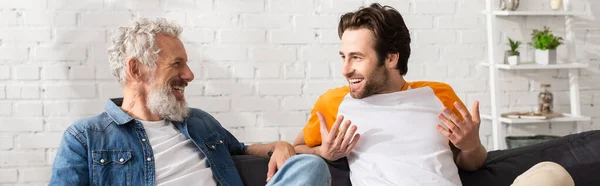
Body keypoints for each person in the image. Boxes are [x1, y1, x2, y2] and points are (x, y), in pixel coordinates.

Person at [293, 3, 574, 186]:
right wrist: (324, 152)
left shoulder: (438, 94)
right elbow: (295, 150)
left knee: (553, 173)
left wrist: (471, 144)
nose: (345, 69)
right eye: (343, 56)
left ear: (391, 58)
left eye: (356, 57)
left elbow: (472, 162)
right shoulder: (335, 103)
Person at [49, 18, 331, 186]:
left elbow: (240, 149)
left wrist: (280, 146)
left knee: (310, 167)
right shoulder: (85, 138)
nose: (189, 75)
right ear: (136, 70)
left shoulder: (197, 121)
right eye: (177, 64)